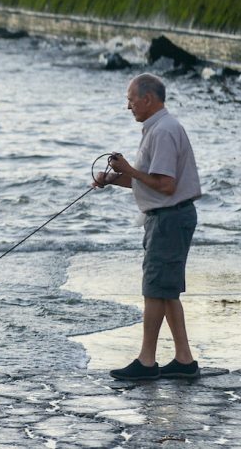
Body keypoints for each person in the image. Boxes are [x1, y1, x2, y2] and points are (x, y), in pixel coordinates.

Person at [92, 73, 202, 381]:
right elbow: (151, 181)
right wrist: (113, 180)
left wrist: (128, 169)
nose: (128, 106)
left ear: (147, 99)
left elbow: (166, 185)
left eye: (130, 99)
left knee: (155, 290)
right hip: (168, 217)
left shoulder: (164, 131)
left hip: (169, 218)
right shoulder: (157, 128)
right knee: (165, 291)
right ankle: (184, 360)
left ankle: (147, 361)